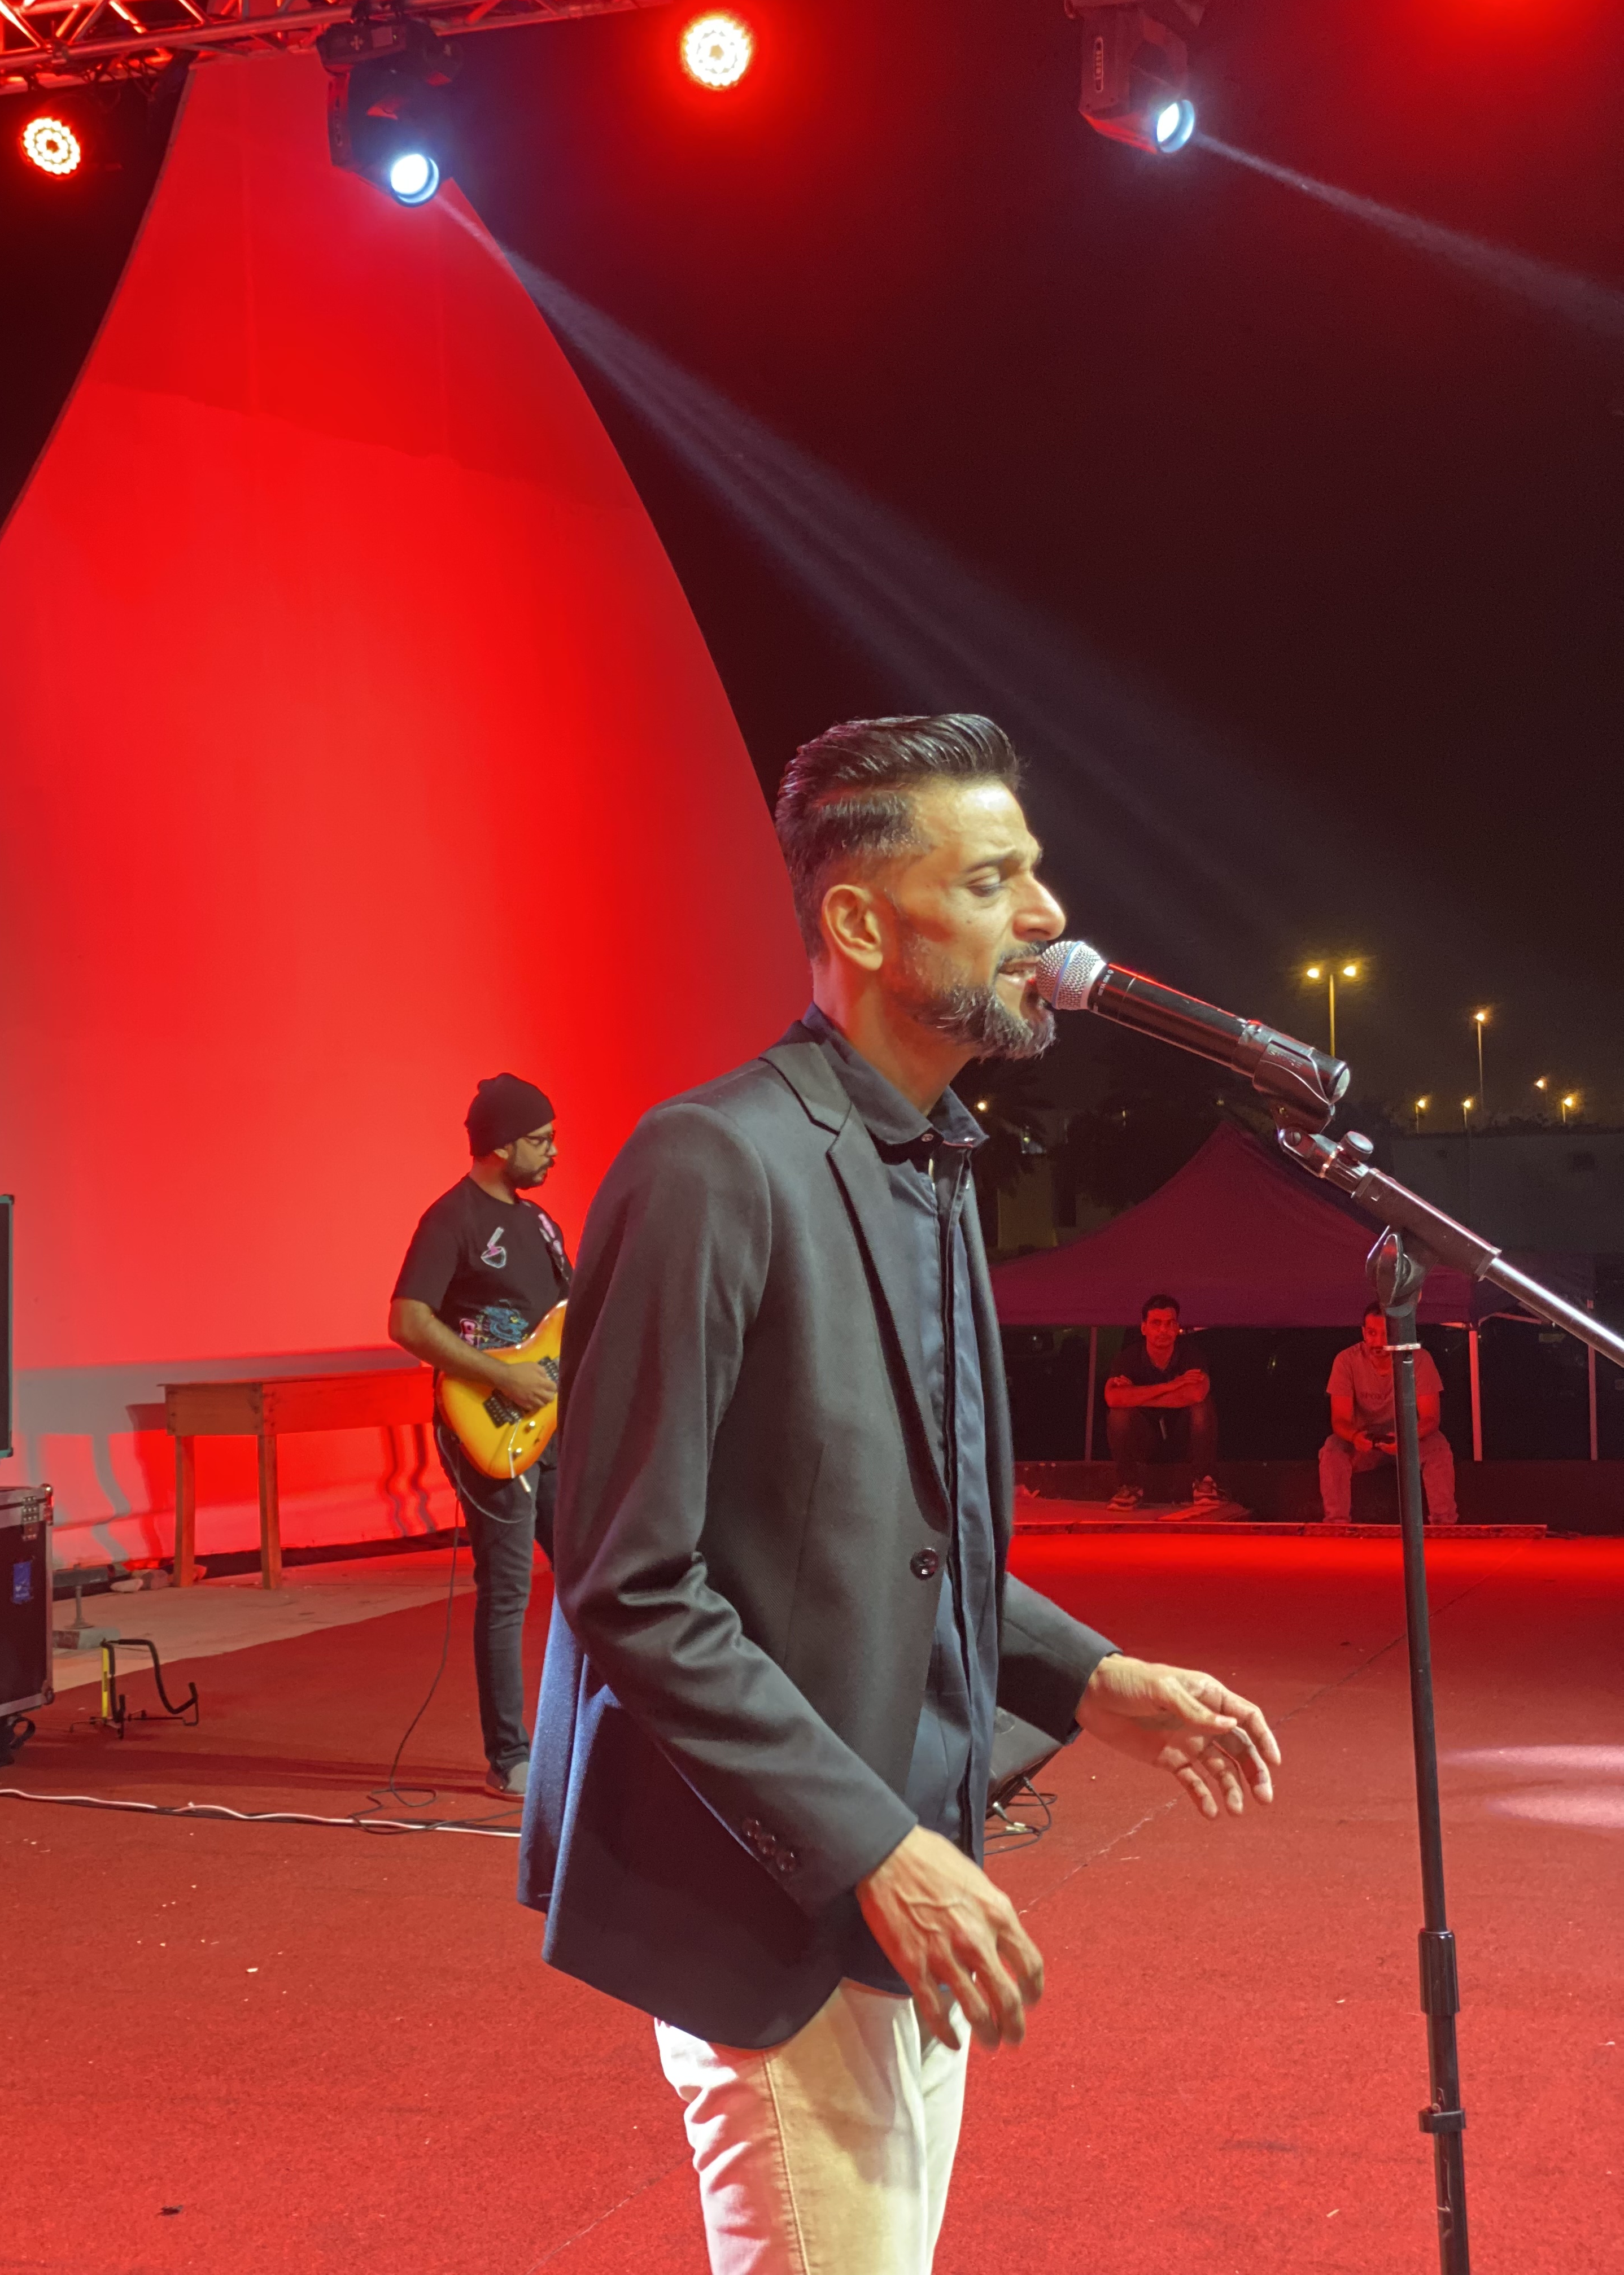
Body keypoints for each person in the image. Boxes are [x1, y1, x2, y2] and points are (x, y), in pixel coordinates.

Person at [521, 715, 1281, 2275]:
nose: (1048, 916)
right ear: (863, 924)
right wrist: (872, 1842)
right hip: (781, 1905)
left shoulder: (926, 1161)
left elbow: (900, 1539)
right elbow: (627, 1580)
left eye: (1033, 873)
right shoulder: (713, 1162)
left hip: (901, 1883)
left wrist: (1093, 1679)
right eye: (994, 879)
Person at [388, 1074, 570, 1796]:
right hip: (490, 1427)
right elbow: (408, 1321)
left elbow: (567, 1322)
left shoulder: (543, 1225)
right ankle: (510, 1758)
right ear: (500, 1145)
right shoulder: (451, 1220)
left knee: (593, 1576)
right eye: (540, 1140)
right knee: (507, 1591)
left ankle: (584, 1740)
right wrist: (502, 1378)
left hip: (553, 1428)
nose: (553, 1152)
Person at [1321, 1302, 1459, 1525]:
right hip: (1365, 1442)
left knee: (1438, 1447)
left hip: (1409, 1440)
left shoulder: (1418, 1359)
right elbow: (1340, 1420)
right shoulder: (1346, 1361)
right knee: (1332, 1449)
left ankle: (1444, 1524)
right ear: (1364, 1333)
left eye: (1386, 1334)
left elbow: (1431, 1418)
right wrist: (1355, 1437)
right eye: (1372, 1333)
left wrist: (1406, 1439)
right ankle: (1337, 1523)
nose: (1378, 1341)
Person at [1102, 1292, 1221, 1510]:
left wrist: (1137, 1396)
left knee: (1202, 1407)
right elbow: (1113, 1398)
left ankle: (1204, 1482)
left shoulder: (1192, 1355)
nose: (1163, 1330)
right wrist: (1172, 1386)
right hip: (1146, 1439)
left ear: (1177, 1328)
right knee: (1119, 1416)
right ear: (1144, 1328)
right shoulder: (1128, 1358)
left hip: (1183, 1438)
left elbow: (1197, 1394)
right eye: (1156, 1323)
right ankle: (1129, 1486)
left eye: (1169, 1324)